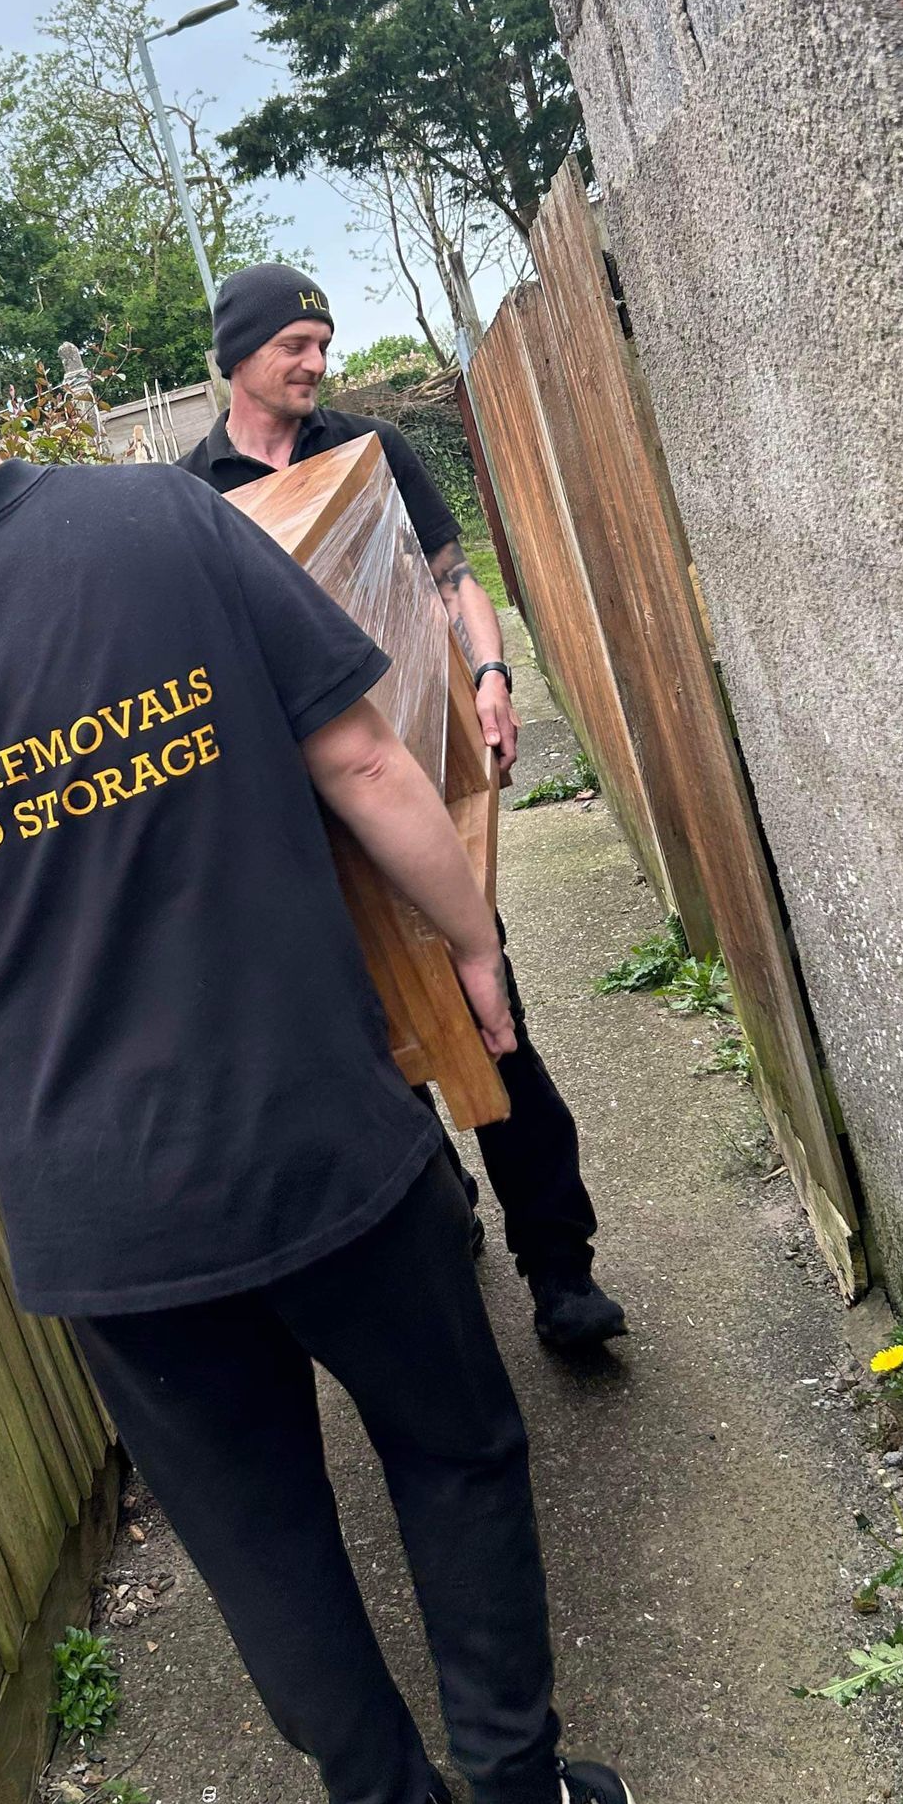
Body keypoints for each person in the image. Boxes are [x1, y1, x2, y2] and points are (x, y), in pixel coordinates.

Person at [0, 290, 642, 1804]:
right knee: (450, 1447)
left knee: (256, 1533)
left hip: (99, 1212)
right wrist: (469, 949)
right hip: (314, 1132)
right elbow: (372, 769)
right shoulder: (166, 523)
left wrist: (11, 1160)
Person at [178, 262, 627, 1351]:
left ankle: (561, 1274)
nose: (316, 363)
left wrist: (489, 672)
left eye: (323, 344)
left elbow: (448, 575)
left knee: (494, 1019)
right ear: (238, 352)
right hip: (298, 824)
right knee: (376, 1049)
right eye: (296, 344)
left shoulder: (369, 452)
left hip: (416, 782)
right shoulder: (192, 494)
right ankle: (445, 1214)